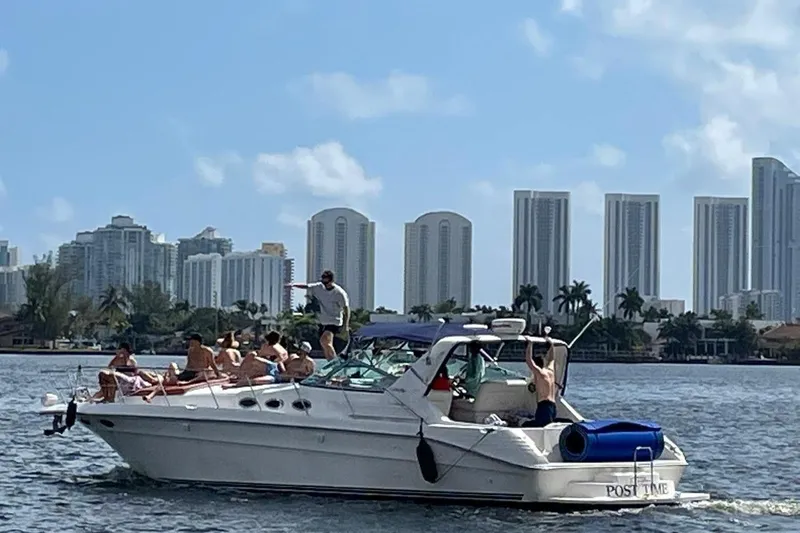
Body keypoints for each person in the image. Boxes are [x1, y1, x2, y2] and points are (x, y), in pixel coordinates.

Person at [287, 269, 349, 361]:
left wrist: (346, 326)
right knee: (324, 344)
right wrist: (293, 285)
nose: (325, 285)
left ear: (331, 281)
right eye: (323, 283)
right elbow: (307, 286)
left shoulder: (339, 293)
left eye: (327, 283)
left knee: (325, 341)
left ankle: (335, 363)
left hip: (335, 321)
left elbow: (346, 310)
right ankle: (331, 364)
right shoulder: (319, 287)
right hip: (323, 321)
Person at [523, 340, 557, 427]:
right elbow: (552, 358)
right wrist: (551, 344)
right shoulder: (551, 371)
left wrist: (530, 343)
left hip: (544, 406)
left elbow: (528, 360)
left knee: (538, 427)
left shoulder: (540, 373)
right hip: (552, 406)